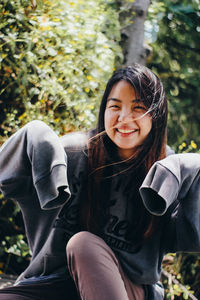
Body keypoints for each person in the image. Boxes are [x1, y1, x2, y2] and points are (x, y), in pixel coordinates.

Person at [0, 63, 200, 300]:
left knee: (83, 245)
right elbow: (11, 178)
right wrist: (31, 136)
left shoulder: (167, 173)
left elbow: (189, 236)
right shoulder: (73, 153)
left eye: (138, 108)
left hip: (128, 288)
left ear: (156, 115)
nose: (124, 118)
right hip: (54, 284)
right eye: (114, 106)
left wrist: (194, 172)